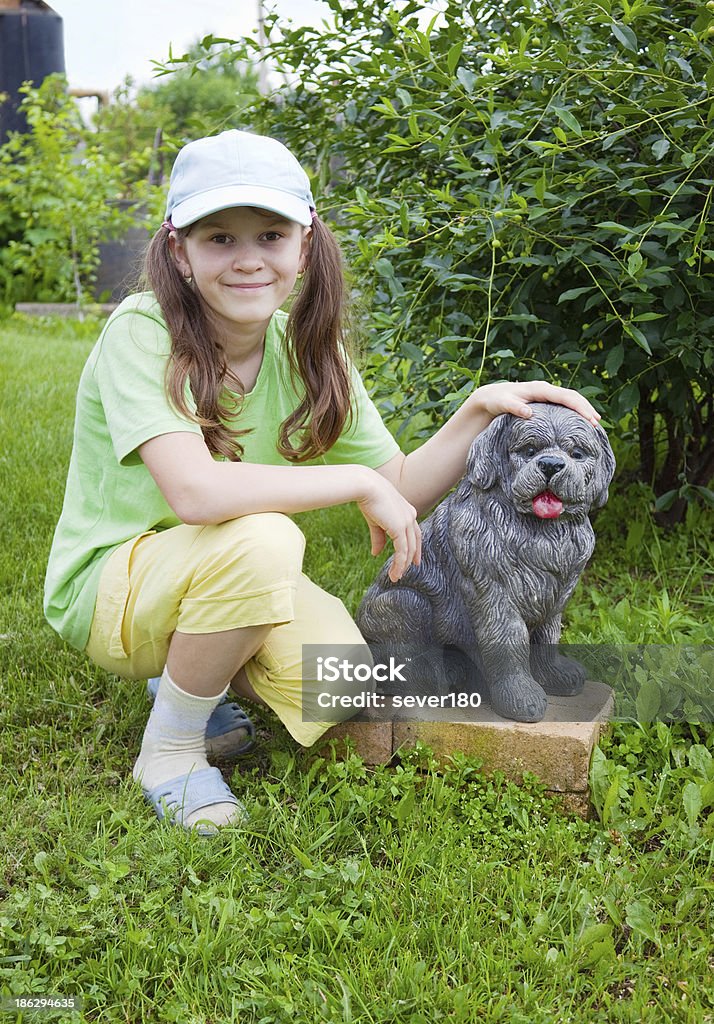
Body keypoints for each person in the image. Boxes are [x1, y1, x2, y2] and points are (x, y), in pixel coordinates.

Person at [44, 129, 601, 835]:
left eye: (271, 235)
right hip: (112, 587)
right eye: (219, 238)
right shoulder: (142, 330)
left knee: (339, 683)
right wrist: (354, 485)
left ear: (304, 246)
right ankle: (172, 747)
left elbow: (399, 480)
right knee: (267, 538)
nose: (248, 260)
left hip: (225, 572)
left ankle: (191, 670)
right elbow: (196, 495)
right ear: (178, 252)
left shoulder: (305, 349)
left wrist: (478, 407)